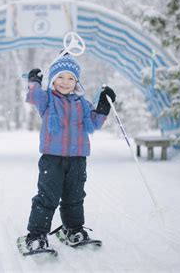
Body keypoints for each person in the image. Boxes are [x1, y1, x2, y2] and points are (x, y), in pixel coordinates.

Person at [24, 53, 116, 251]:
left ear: (76, 81)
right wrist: (34, 82)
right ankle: (37, 234)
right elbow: (33, 97)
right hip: (52, 159)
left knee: (74, 197)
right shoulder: (47, 99)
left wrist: (103, 106)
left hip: (77, 159)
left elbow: (95, 123)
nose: (65, 82)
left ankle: (73, 228)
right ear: (53, 79)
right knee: (48, 197)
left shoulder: (82, 103)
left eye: (70, 78)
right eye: (60, 77)